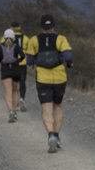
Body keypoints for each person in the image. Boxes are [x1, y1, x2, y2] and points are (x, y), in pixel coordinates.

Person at [24, 13, 73, 153]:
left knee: (46, 108)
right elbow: (68, 56)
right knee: (57, 106)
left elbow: (29, 61)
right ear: (53, 26)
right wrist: (70, 63)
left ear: (41, 26)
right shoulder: (61, 39)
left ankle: (50, 135)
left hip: (42, 78)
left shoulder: (34, 40)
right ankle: (57, 136)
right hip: (59, 78)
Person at [0, 29, 25, 122]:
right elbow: (23, 55)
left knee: (8, 92)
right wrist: (18, 60)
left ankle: (11, 111)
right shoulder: (16, 46)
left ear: (4, 37)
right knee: (15, 91)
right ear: (14, 37)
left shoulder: (1, 47)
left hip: (5, 70)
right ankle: (15, 111)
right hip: (16, 70)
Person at [11, 21, 29, 113]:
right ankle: (22, 98)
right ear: (19, 27)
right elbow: (30, 50)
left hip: (12, 62)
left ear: (11, 28)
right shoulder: (25, 38)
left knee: (13, 83)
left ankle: (15, 102)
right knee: (22, 81)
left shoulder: (8, 38)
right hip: (22, 63)